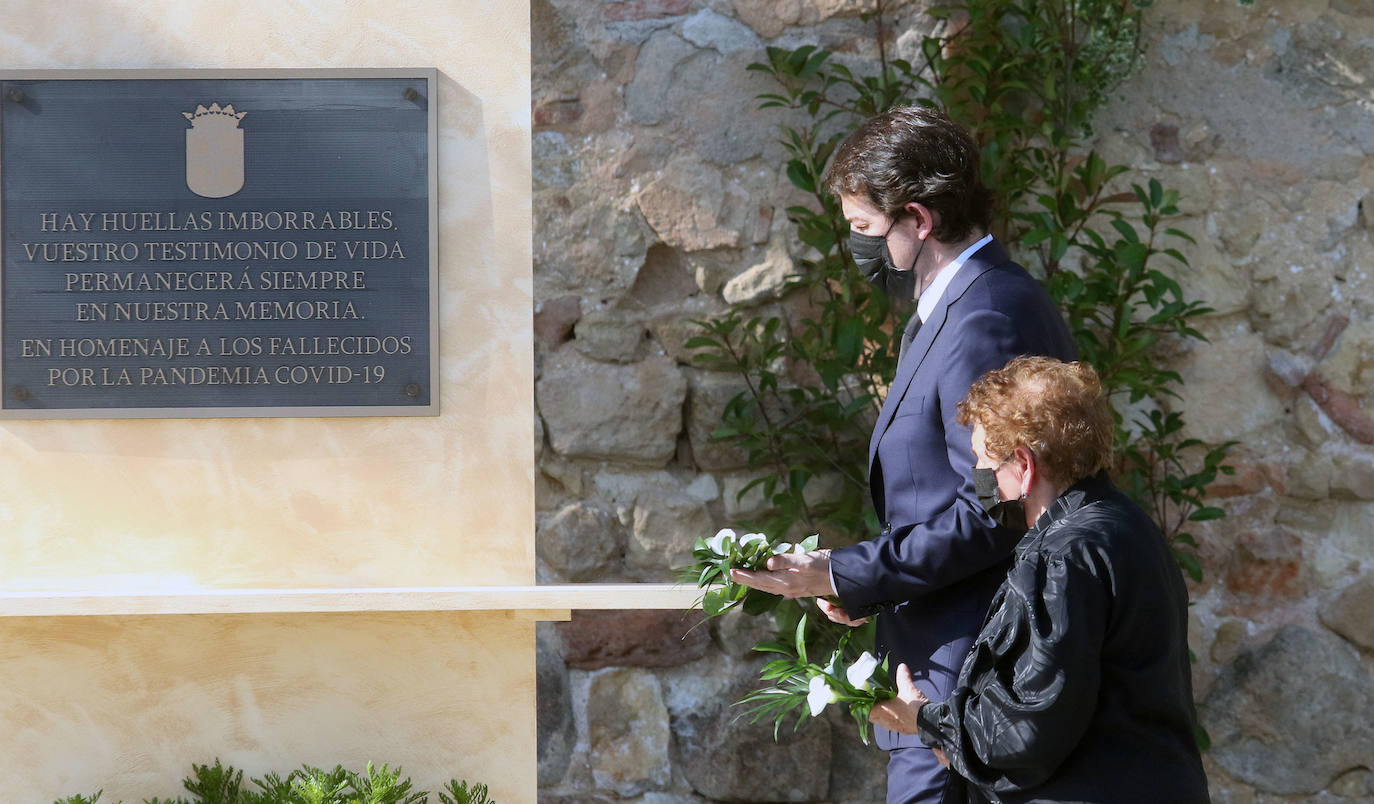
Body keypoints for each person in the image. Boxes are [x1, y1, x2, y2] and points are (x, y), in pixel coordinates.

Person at [732, 106, 1076, 804]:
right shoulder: (958, 307)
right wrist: (865, 586)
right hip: (941, 663)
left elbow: (994, 508)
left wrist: (844, 571)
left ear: (918, 219)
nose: (858, 247)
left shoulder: (987, 316)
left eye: (864, 228)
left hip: (967, 676)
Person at [868, 356, 1210, 803]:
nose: (980, 482)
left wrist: (925, 720)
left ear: (1024, 466)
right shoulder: (1131, 528)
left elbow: (1028, 727)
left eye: (983, 462)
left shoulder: (1064, 555)